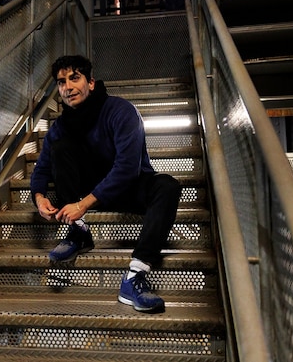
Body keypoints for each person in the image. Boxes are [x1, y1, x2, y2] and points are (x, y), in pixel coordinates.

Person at [30, 55, 182, 313]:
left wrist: (83, 204)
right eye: (61, 82)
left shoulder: (120, 111)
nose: (67, 87)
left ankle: (134, 278)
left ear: (90, 82)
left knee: (168, 186)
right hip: (89, 189)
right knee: (60, 148)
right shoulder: (61, 127)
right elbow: (42, 168)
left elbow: (127, 168)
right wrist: (40, 197)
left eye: (74, 78)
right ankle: (78, 234)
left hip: (130, 187)